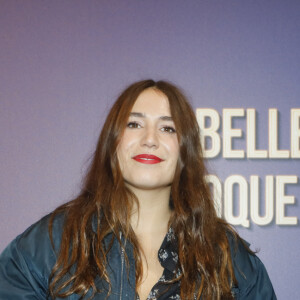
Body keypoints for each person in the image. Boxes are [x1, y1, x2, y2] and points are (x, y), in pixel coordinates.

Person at [0, 80, 276, 299]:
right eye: (134, 124)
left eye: (168, 128)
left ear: (186, 149)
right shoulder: (48, 246)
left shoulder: (228, 258)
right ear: (112, 142)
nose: (150, 139)